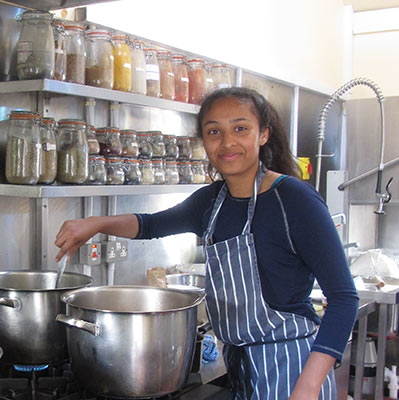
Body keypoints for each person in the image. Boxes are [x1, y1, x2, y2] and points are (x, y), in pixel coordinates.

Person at [55, 87, 359, 400]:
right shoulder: (212, 201)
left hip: (294, 368)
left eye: (240, 129)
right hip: (241, 364)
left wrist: (307, 388)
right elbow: (150, 225)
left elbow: (344, 298)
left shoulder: (294, 200)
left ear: (263, 134)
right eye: (214, 131)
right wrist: (95, 224)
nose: (227, 142)